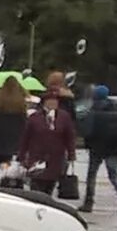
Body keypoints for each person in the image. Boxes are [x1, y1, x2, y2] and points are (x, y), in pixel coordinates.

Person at [20, 72, 80, 204]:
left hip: (55, 157)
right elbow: (26, 137)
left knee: (48, 189)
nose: (53, 103)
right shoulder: (35, 118)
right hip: (37, 157)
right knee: (36, 189)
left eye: (55, 101)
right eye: (50, 101)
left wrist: (71, 154)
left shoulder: (64, 117)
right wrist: (22, 156)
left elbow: (69, 136)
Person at [80, 83, 117, 213]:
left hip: (96, 148)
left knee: (91, 175)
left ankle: (88, 202)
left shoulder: (93, 111)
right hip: (113, 148)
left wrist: (88, 142)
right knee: (113, 175)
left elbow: (87, 131)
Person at [0, 75, 30, 186]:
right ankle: (9, 180)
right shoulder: (20, 105)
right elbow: (24, 125)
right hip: (15, 139)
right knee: (12, 163)